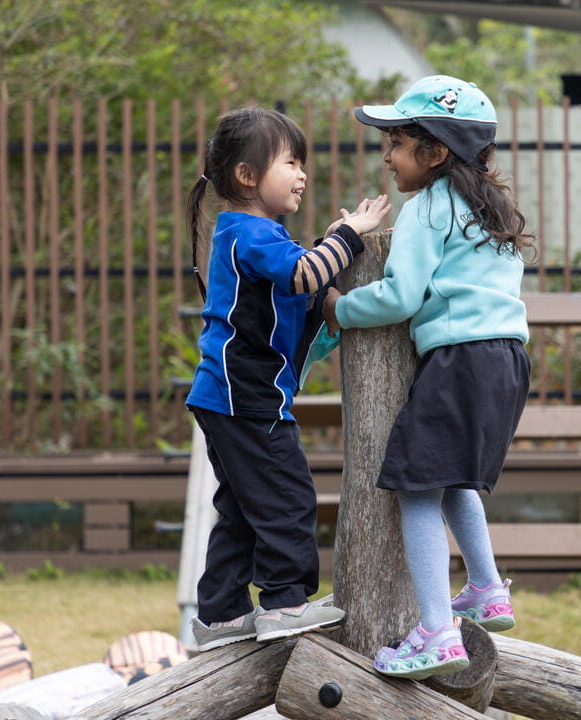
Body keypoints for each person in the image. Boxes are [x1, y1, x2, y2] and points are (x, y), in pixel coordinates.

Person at [322, 76, 534, 679]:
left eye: (396, 141)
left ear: (435, 151)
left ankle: (438, 633)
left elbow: (400, 295)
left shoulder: (429, 207)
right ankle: (488, 588)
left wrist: (341, 307)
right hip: (506, 360)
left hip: (459, 359)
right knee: (451, 475)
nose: (385, 155)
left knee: (416, 487)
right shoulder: (492, 208)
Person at [185, 106, 391, 650]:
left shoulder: (253, 236)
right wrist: (347, 235)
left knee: (242, 508)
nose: (302, 174)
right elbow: (305, 272)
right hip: (245, 398)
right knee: (287, 498)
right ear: (248, 176)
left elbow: (303, 284)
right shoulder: (251, 233)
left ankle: (222, 615)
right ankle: (282, 603)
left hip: (228, 397)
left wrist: (330, 260)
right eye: (291, 162)